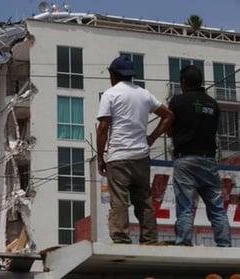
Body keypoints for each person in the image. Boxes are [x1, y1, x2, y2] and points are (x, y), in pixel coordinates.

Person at [96, 55, 174, 244]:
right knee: (144, 200)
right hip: (141, 156)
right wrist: (152, 137)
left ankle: (122, 239)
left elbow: (104, 127)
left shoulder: (110, 94)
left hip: (118, 156)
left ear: (113, 74)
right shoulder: (144, 94)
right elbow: (168, 115)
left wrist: (100, 157)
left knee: (119, 200)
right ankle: (149, 238)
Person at [168, 65, 232, 247]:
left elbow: (170, 129)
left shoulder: (178, 101)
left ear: (183, 82)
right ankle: (225, 245)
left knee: (186, 207)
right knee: (217, 208)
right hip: (209, 160)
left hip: (186, 159)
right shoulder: (213, 104)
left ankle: (183, 243)